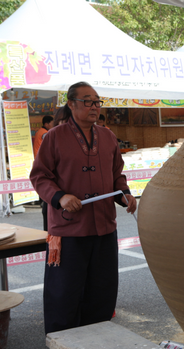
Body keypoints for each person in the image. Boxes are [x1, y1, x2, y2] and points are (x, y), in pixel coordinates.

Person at [30, 81, 137, 334]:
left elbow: (116, 175)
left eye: (97, 101)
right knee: (64, 296)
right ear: (71, 104)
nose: (94, 106)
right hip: (69, 230)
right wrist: (59, 196)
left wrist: (125, 195)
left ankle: (97, 339)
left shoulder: (109, 136)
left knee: (102, 292)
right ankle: (61, 341)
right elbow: (39, 176)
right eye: (87, 101)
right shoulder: (54, 137)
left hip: (104, 228)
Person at [41, 107, 68, 231]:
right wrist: (59, 197)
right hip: (57, 204)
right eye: (64, 121)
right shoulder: (51, 136)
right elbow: (40, 176)